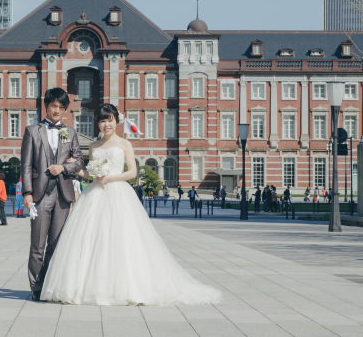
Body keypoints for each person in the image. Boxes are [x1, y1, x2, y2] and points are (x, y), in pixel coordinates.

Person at [40, 103, 222, 305]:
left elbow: (133, 173)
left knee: (122, 240)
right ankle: (89, 287)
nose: (106, 124)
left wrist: (111, 178)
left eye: (109, 120)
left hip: (118, 193)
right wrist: (70, 168)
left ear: (116, 121)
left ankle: (127, 287)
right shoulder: (93, 146)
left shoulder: (125, 144)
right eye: (102, 120)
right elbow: (90, 173)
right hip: (94, 194)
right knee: (92, 239)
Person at [21, 88, 85, 301]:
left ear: (65, 109)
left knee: (57, 244)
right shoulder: (32, 130)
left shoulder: (70, 132)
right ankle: (36, 287)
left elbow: (79, 161)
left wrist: (64, 168)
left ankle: (49, 283)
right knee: (37, 245)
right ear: (46, 106)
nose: (57, 110)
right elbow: (27, 165)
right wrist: (27, 192)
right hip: (39, 195)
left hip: (63, 195)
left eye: (61, 107)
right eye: (53, 106)